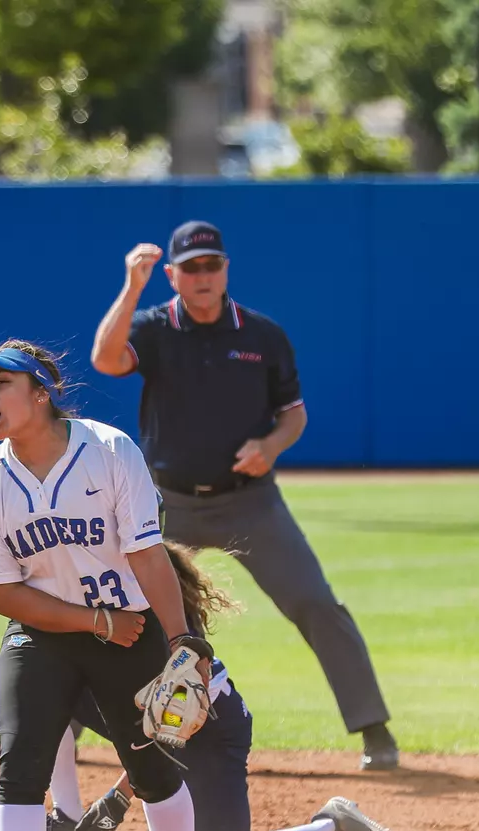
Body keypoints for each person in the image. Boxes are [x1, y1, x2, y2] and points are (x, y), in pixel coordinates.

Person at [90, 220, 402, 772]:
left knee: (315, 602)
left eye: (212, 265)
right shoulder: (156, 328)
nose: (203, 276)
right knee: (124, 607)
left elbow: (294, 413)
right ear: (173, 276)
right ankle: (68, 725)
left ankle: (374, 729)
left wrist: (272, 445)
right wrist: (132, 286)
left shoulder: (262, 336)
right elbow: (106, 360)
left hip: (248, 501)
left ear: (226, 269)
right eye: (191, 268)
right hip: (168, 504)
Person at [0, 338, 215, 831]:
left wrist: (182, 639)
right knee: (19, 766)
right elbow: (4, 594)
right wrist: (94, 622)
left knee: (153, 772)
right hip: (48, 632)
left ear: (40, 393)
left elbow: (148, 554)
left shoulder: (107, 451)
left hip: (129, 630)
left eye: (2, 383)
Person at [44, 540, 402, 831]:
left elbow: (174, 725)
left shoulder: (156, 621)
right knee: (47, 678)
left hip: (206, 731)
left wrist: (118, 798)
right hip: (152, 716)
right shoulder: (89, 588)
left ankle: (332, 827)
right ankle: (66, 817)